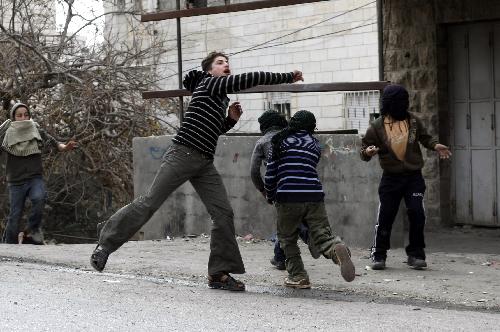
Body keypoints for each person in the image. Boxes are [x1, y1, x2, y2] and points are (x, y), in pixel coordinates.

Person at [90, 51, 304, 291]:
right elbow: (251, 78)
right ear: (209, 71)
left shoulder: (219, 98)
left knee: (223, 213)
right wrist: (287, 76)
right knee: (150, 202)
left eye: (227, 63)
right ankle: (105, 244)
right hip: (183, 153)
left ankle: (219, 274)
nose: (226, 66)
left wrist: (230, 121)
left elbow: (211, 130)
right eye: (220, 63)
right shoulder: (209, 83)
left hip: (203, 162)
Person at [360, 84, 451, 270]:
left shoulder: (414, 121)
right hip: (391, 178)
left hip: (413, 177)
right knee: (386, 216)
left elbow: (425, 138)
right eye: (399, 102)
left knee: (417, 213)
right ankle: (378, 255)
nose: (403, 105)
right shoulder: (377, 126)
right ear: (389, 104)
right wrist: (368, 152)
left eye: (405, 101)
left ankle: (416, 255)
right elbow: (364, 149)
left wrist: (435, 146)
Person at [264, 110, 355, 289]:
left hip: (288, 196)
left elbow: (271, 172)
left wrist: (269, 193)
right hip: (314, 195)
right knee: (322, 235)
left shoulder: (279, 142)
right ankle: (336, 250)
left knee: (287, 238)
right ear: (312, 128)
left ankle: (298, 276)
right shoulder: (314, 145)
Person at [250, 110, 319, 271]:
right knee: (289, 219)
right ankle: (280, 256)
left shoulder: (263, 142)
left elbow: (254, 171)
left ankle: (307, 238)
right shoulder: (291, 136)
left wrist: (264, 190)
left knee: (288, 220)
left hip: (280, 185)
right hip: (306, 182)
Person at [0, 103, 77, 244]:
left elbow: (54, 142)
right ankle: (8, 247)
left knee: (39, 198)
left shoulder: (35, 128)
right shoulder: (7, 132)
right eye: (19, 115)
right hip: (16, 181)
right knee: (14, 216)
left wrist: (65, 147)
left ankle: (31, 231)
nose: (23, 118)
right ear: (13, 117)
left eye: (26, 114)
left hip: (34, 177)